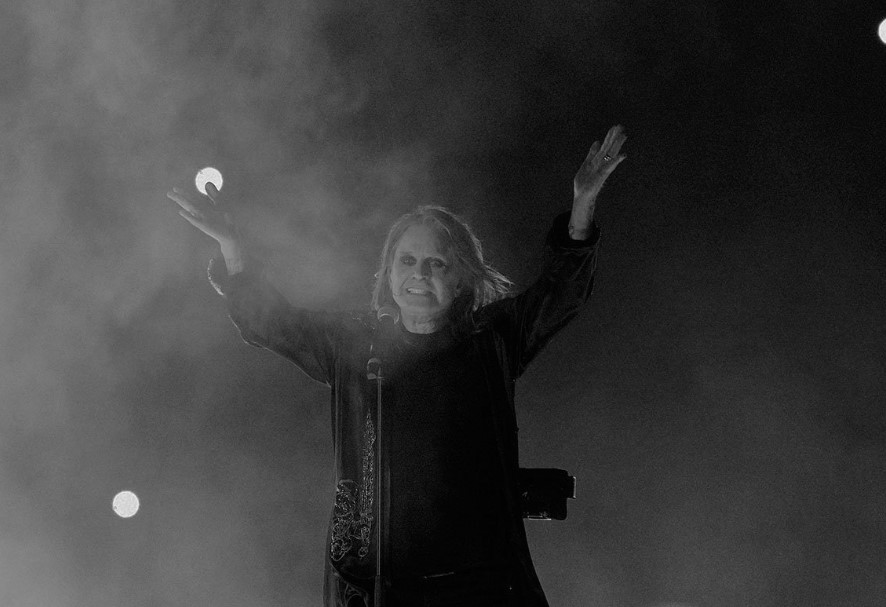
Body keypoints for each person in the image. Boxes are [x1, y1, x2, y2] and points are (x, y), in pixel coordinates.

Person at [168, 125, 627, 607]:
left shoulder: (492, 339)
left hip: (478, 586)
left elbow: (561, 295)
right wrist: (232, 247)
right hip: (373, 586)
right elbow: (271, 322)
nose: (419, 275)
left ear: (461, 279)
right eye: (407, 261)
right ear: (388, 274)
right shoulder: (353, 345)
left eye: (437, 264)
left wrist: (582, 206)